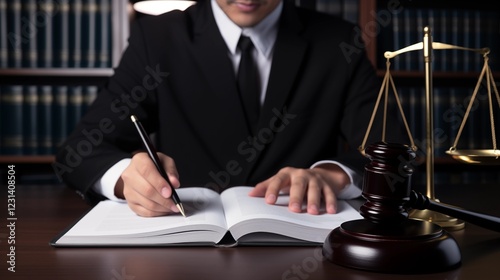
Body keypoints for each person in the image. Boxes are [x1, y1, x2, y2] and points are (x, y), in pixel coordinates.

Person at [54, 0, 402, 217]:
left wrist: (334, 175)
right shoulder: (157, 38)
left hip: (306, 243)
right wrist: (125, 177)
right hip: (184, 241)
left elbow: (395, 151)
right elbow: (79, 151)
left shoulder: (340, 42)